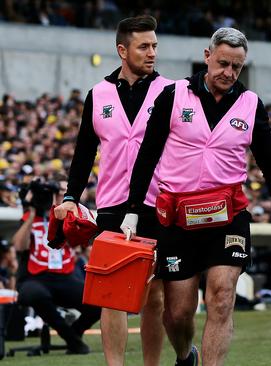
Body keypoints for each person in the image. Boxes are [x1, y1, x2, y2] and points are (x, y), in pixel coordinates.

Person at [121, 27, 271, 366]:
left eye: (236, 67)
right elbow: (147, 156)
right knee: (177, 314)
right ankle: (186, 356)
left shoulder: (250, 104)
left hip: (227, 218)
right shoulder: (173, 96)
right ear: (207, 56)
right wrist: (132, 210)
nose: (228, 73)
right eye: (222, 64)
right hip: (177, 221)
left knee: (221, 296)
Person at [53, 15, 172, 366]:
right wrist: (72, 197)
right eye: (143, 46)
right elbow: (84, 152)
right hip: (112, 205)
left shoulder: (171, 91)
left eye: (154, 46)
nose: (152, 53)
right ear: (123, 50)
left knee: (156, 298)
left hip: (157, 203)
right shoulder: (98, 95)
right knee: (112, 295)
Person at [13, 177, 101, 354]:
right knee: (35, 294)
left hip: (65, 275)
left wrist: (62, 210)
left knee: (97, 302)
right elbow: (19, 246)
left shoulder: (70, 215)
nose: (59, 195)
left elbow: (83, 242)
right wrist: (31, 214)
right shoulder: (31, 217)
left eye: (62, 192)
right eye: (57, 192)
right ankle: (73, 341)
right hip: (36, 277)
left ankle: (73, 334)